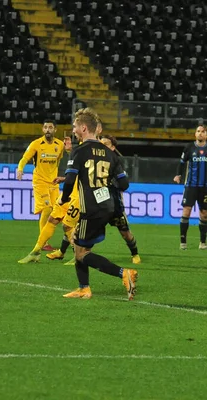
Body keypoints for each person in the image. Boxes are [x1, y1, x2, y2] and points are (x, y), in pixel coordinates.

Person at [59, 108, 137, 300]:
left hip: (90, 208)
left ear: (84, 128)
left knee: (80, 253)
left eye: (76, 126)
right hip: (107, 206)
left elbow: (70, 180)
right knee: (80, 246)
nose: (74, 130)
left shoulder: (79, 151)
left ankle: (124, 273)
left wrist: (64, 198)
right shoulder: (110, 154)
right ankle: (84, 288)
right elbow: (124, 184)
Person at [18, 136, 78, 264]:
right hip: (64, 189)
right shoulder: (37, 144)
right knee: (52, 217)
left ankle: (78, 256)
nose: (73, 130)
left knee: (68, 224)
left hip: (78, 194)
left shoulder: (85, 148)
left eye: (75, 127)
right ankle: (36, 251)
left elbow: (80, 172)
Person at [16, 120, 69, 251]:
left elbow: (60, 160)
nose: (47, 130)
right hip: (40, 182)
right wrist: (20, 168)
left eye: (50, 127)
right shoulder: (36, 144)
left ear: (55, 130)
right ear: (42, 130)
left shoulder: (60, 145)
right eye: (45, 127)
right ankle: (43, 242)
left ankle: (71, 239)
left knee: (58, 211)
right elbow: (25, 158)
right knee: (47, 209)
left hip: (54, 183)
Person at [100, 135, 141, 264]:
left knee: (125, 232)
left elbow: (124, 184)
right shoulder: (93, 160)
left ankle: (135, 254)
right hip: (98, 201)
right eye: (100, 143)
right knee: (88, 229)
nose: (102, 146)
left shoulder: (116, 161)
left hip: (114, 202)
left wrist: (114, 184)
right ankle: (78, 254)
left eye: (105, 144)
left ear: (112, 147)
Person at [173, 124, 207, 250]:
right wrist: (178, 175)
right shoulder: (189, 147)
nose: (200, 133)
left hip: (205, 187)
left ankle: (202, 243)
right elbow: (181, 163)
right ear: (195, 134)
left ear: (206, 135)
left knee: (204, 214)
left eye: (203, 131)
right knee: (186, 211)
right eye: (198, 131)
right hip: (191, 186)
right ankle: (183, 242)